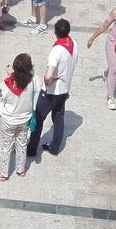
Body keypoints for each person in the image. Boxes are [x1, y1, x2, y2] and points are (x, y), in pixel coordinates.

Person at [27, 19, 78, 159]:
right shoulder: (74, 43)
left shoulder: (56, 51)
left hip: (51, 93)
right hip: (64, 90)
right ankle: (55, 147)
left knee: (38, 119)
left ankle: (31, 149)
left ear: (55, 32)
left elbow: (48, 77)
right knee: (59, 117)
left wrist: (49, 80)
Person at [0, 52, 40, 181]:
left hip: (8, 120)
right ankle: (20, 170)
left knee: (6, 146)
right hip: (25, 119)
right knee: (22, 144)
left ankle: (3, 173)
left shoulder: (7, 82)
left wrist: (9, 75)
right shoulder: (34, 80)